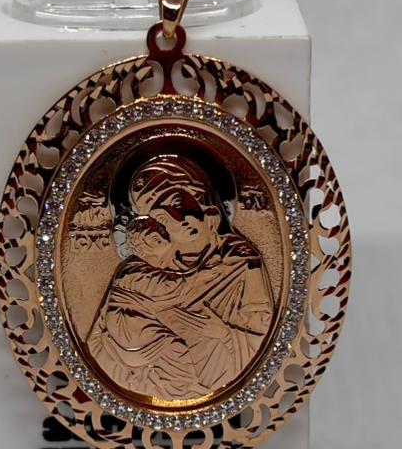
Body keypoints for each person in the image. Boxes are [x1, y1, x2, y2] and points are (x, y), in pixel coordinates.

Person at [86, 154, 273, 402]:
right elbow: (99, 345)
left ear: (201, 196)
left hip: (226, 386)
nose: (179, 218)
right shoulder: (141, 271)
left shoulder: (240, 261)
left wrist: (222, 333)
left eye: (178, 202)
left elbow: (261, 337)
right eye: (163, 217)